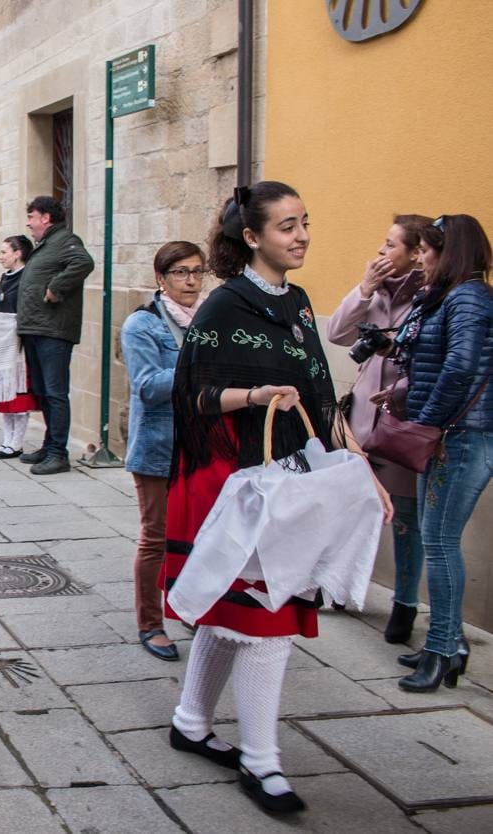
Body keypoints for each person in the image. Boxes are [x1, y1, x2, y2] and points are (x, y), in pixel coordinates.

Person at [163, 182, 391, 815]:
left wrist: (360, 467)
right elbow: (192, 398)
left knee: (235, 615)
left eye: (305, 222)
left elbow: (322, 395)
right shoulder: (222, 307)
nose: (302, 235)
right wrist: (256, 396)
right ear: (253, 238)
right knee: (266, 622)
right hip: (240, 483)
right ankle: (262, 764)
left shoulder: (301, 303)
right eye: (287, 226)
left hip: (296, 476)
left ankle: (189, 721)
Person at [393, 214, 492, 692]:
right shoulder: (452, 297)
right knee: (437, 541)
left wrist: (423, 421)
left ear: (448, 252)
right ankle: (444, 642)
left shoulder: (468, 297)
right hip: (450, 433)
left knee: (440, 543)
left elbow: (460, 367)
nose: (421, 255)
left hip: (461, 436)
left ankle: (443, 648)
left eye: (429, 248)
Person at [326, 214, 432, 644]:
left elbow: (430, 359)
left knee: (407, 518)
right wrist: (365, 288)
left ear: (416, 252)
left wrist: (401, 387)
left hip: (402, 425)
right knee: (348, 503)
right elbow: (336, 333)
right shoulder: (376, 293)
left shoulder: (429, 298)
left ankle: (404, 604)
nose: (381, 253)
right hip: (361, 424)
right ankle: (337, 585)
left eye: (391, 245)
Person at [121, 241, 207, 662]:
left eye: (196, 271)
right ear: (161, 278)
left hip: (203, 447)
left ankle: (189, 607)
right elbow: (149, 387)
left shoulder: (209, 322)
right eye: (180, 272)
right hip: (157, 447)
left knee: (196, 535)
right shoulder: (143, 325)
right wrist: (198, 370)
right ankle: (150, 623)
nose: (190, 280)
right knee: (157, 537)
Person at [14, 196, 96, 474]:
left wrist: (56, 287)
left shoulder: (65, 241)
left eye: (32, 217)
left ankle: (59, 453)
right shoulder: (47, 245)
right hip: (37, 328)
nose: (29, 223)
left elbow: (84, 263)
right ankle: (50, 447)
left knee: (55, 392)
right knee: (43, 392)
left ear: (45, 218)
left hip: (53, 330)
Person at [0, 234, 38, 459]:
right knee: (3, 394)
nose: (0, 256)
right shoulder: (6, 277)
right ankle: (6, 441)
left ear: (18, 254)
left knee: (17, 396)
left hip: (18, 346)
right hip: (1, 346)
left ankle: (17, 443)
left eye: (4, 252)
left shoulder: (26, 278)